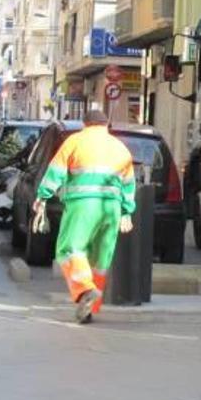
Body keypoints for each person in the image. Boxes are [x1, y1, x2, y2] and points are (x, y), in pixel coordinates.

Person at [33, 110, 135, 324]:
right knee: (100, 260)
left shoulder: (75, 142)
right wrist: (127, 211)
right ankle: (89, 309)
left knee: (71, 249)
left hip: (83, 205)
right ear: (106, 124)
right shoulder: (120, 148)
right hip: (111, 210)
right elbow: (128, 185)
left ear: (85, 124)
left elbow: (56, 172)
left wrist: (43, 197)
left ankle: (84, 290)